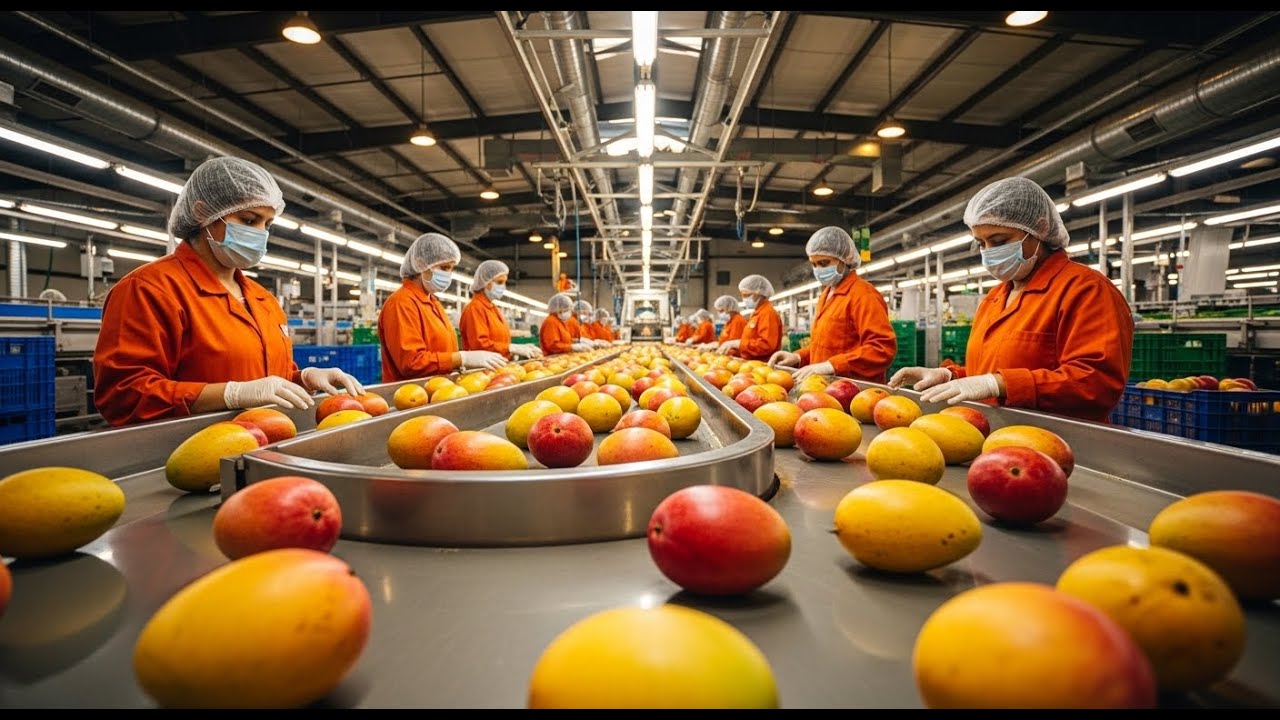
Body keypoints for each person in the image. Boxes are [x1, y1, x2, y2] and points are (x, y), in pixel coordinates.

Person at [93, 156, 363, 427]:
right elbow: (122, 395)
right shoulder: (149, 289)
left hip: (265, 443)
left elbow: (264, 380)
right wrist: (230, 394)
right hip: (191, 452)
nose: (260, 233)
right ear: (202, 213)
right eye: (248, 220)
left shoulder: (263, 299)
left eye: (267, 224)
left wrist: (302, 378)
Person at [889, 176, 1134, 423]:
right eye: (981, 243)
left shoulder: (1086, 290)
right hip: (994, 436)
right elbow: (987, 373)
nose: (988, 251)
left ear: (1039, 229)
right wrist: (950, 376)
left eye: (999, 241)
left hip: (1059, 442)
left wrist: (1000, 383)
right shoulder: (996, 297)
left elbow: (1097, 383)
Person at [769, 226, 896, 383]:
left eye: (824, 263)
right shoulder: (827, 294)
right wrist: (797, 357)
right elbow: (826, 346)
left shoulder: (864, 295)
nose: (818, 270)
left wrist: (832, 365)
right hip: (825, 387)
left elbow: (881, 349)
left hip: (854, 393)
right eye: (814, 265)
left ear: (846, 258)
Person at [378, 232, 507, 381]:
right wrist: (461, 358)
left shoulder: (433, 303)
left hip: (438, 389)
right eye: (445, 268)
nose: (448, 275)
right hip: (413, 396)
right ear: (421, 265)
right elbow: (411, 363)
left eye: (451, 269)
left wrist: (459, 363)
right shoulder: (401, 303)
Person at [459, 259, 543, 360]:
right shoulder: (475, 308)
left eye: (504, 282)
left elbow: (498, 340)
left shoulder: (493, 308)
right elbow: (479, 345)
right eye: (499, 282)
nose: (503, 287)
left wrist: (512, 350)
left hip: (498, 365)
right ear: (486, 282)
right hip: (482, 371)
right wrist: (510, 348)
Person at [720, 274, 781, 360]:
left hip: (762, 366)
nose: (744, 299)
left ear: (759, 293)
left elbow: (766, 345)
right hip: (752, 363)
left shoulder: (768, 314)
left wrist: (739, 343)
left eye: (746, 295)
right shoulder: (757, 314)